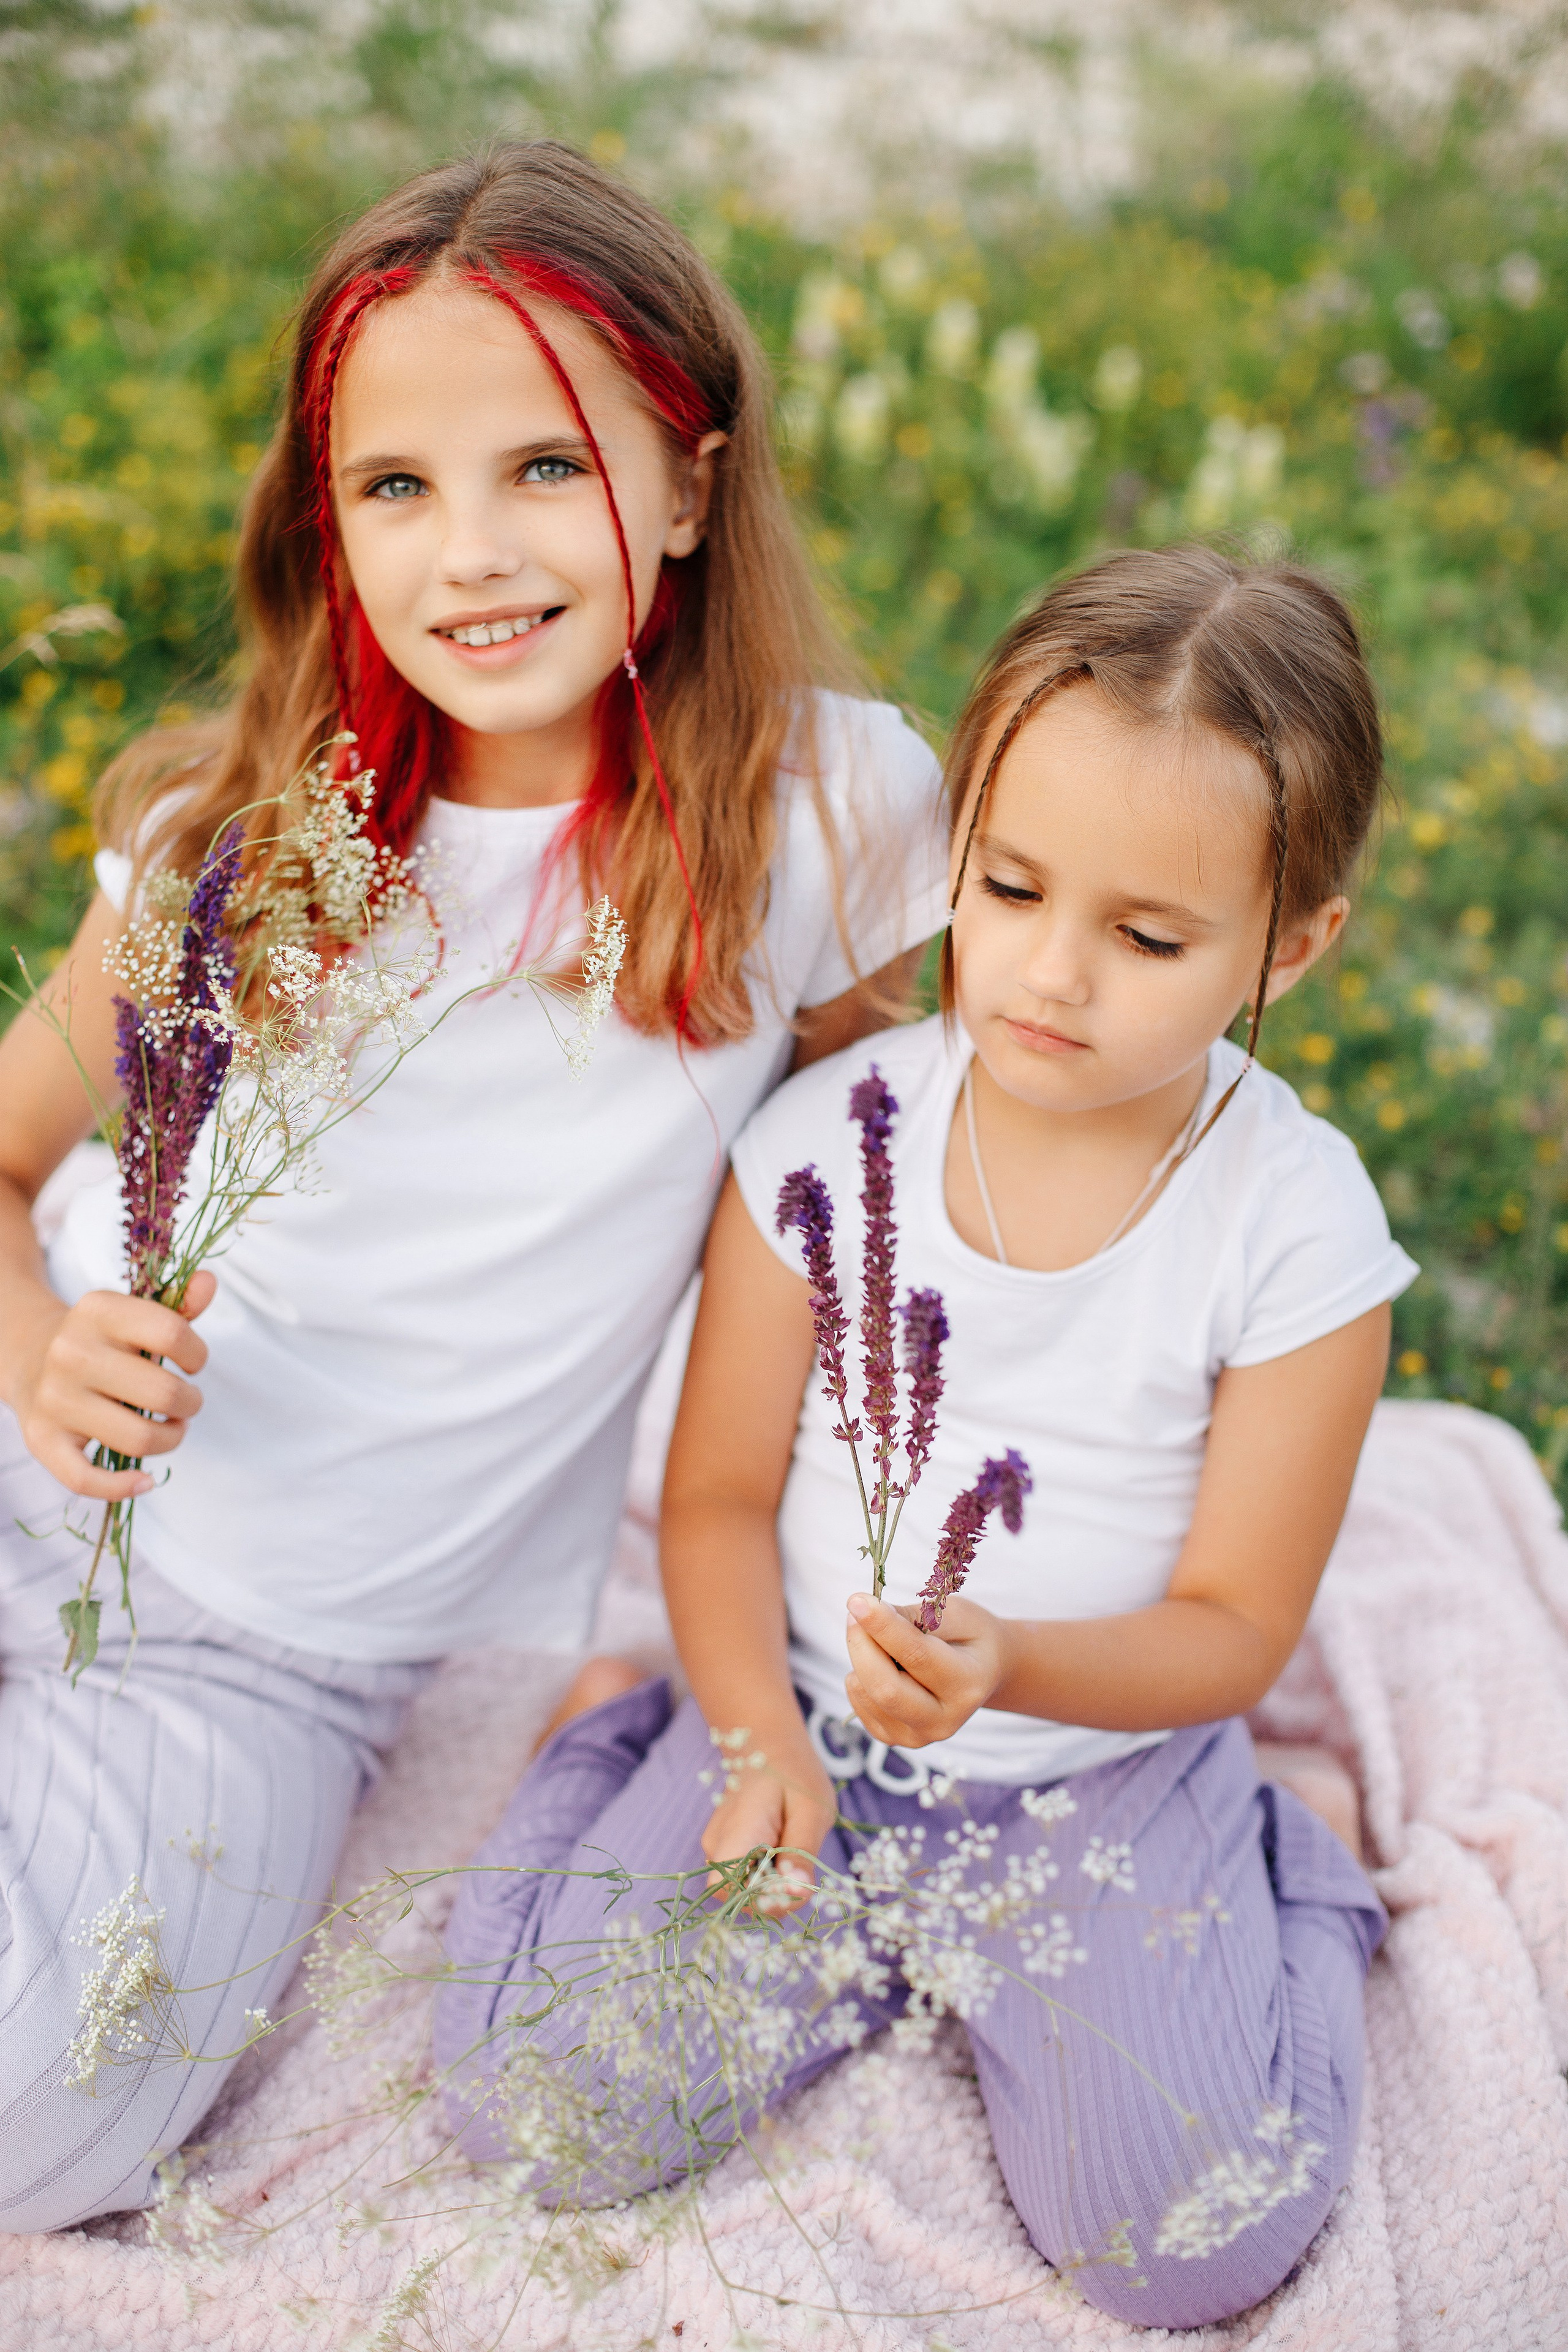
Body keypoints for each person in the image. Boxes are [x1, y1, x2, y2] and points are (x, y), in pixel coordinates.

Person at [0, 141, 945, 2231]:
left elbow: (869, 1186)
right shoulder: (229, 841)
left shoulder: (831, 816)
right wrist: (48, 1345)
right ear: (324, 524)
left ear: (688, 488)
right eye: (396, 487)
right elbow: (6, 1152)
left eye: (547, 467)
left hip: (261, 1647)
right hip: (31, 1464)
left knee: (40, 2111)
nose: (472, 553)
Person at [435, 545, 1416, 2331]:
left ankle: (1297, 1857)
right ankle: (622, 1738)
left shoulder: (1294, 1227)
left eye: (1148, 936)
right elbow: (719, 1498)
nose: (1050, 973)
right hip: (802, 1718)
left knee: (1190, 2238)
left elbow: (1237, 1626)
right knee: (543, 2107)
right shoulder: (833, 1142)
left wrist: (1019, 1658)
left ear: (1292, 944)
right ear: (954, 843)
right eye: (1012, 885)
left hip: (1096, 1761)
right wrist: (752, 1742)